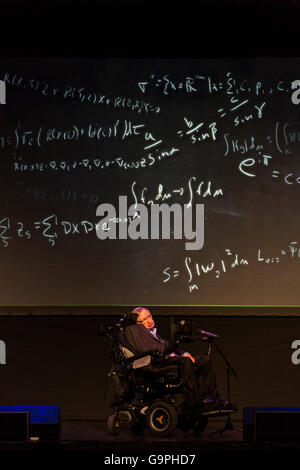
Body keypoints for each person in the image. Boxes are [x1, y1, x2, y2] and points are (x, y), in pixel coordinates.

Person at [124, 307, 236, 415]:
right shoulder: (135, 331)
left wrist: (184, 353)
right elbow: (144, 349)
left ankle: (212, 398)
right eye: (144, 319)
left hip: (169, 359)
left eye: (149, 317)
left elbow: (171, 348)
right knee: (185, 361)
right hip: (155, 364)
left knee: (203, 360)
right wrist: (170, 352)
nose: (148, 320)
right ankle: (194, 402)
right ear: (138, 323)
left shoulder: (157, 336)